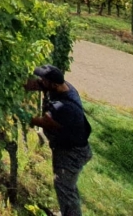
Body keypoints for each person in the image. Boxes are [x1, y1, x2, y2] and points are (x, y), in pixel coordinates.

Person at [25, 64, 92, 216]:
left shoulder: (63, 107)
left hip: (72, 153)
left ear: (53, 84)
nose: (39, 81)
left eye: (43, 79)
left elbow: (45, 122)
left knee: (64, 187)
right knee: (68, 187)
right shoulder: (65, 87)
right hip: (72, 147)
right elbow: (38, 85)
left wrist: (25, 116)